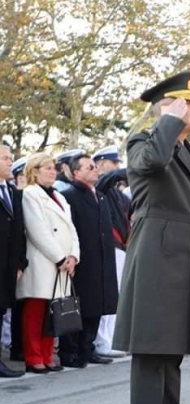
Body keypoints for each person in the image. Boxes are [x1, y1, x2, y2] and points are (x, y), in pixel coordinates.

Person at [113, 72, 190, 404]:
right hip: (156, 262)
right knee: (152, 357)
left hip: (182, 262)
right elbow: (150, 162)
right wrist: (168, 119)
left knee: (171, 358)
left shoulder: (189, 151)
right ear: (171, 107)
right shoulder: (142, 142)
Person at [17, 153, 79, 373]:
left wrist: (73, 255)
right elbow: (38, 231)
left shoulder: (59, 196)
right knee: (36, 310)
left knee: (53, 312)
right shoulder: (30, 194)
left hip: (62, 263)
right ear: (34, 171)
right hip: (43, 261)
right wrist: (60, 257)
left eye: (54, 167)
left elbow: (71, 229)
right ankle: (33, 356)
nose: (53, 171)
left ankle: (47, 353)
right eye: (47, 167)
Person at [59, 154, 117, 368]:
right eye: (89, 167)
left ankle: (87, 348)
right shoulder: (69, 196)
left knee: (96, 306)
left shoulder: (100, 196)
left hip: (101, 260)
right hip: (82, 261)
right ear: (76, 173)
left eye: (94, 166)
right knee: (77, 307)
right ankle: (71, 351)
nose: (95, 169)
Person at [93, 145, 129, 358]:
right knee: (109, 295)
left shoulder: (118, 193)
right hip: (111, 246)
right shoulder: (103, 185)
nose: (116, 166)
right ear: (101, 164)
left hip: (123, 246)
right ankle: (102, 340)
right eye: (113, 163)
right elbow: (106, 181)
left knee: (119, 297)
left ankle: (114, 338)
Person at [0, 146, 25, 377]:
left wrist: (19, 263)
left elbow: (18, 230)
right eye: (5, 158)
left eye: (10, 158)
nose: (10, 162)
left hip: (7, 265)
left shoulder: (11, 191)